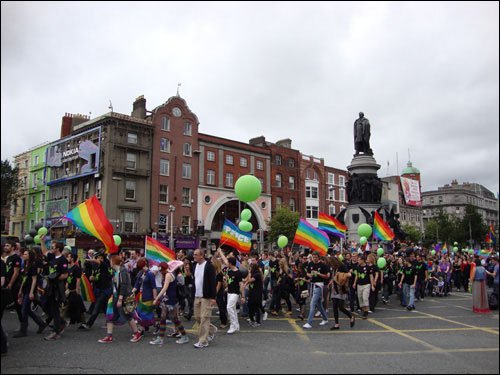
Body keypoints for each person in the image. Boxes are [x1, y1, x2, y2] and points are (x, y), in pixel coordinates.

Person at [99, 254, 141, 343]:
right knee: (110, 315)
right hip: (115, 296)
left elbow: (123, 285)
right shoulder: (116, 271)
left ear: (113, 262)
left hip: (123, 297)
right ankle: (109, 335)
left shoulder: (122, 271)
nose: (109, 262)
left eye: (110, 261)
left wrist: (120, 299)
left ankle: (137, 333)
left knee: (128, 315)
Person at [150, 261, 189, 345]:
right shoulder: (169, 274)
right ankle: (160, 338)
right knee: (163, 317)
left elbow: (164, 288)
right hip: (167, 299)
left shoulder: (168, 275)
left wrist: (156, 298)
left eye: (161, 271)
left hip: (171, 300)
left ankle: (184, 335)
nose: (161, 272)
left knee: (174, 319)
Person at [40, 239, 69, 340]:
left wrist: (55, 277)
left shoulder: (63, 260)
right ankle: (61, 322)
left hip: (57, 288)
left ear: (57, 249)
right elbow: (44, 251)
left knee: (55, 309)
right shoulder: (52, 257)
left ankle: (56, 331)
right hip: (49, 287)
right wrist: (42, 241)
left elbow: (65, 274)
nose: (51, 248)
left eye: (52, 247)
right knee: (45, 305)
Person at [14, 249, 45, 337]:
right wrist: (20, 290)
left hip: (29, 289)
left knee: (24, 309)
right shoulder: (25, 266)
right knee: (26, 309)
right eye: (23, 254)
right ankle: (40, 323)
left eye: (26, 254)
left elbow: (34, 279)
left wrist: (32, 292)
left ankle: (24, 330)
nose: (24, 255)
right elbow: (24, 279)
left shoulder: (33, 266)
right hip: (25, 288)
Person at [192, 249, 217, 348]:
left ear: (202, 256)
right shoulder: (195, 266)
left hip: (206, 296)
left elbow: (212, 282)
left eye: (196, 255)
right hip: (197, 295)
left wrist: (213, 297)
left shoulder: (209, 266)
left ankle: (203, 341)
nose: (194, 256)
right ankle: (211, 329)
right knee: (197, 317)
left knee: (204, 318)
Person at [82, 250, 113, 329]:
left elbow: (100, 264)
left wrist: (91, 259)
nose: (97, 259)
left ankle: (89, 324)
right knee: (105, 307)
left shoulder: (105, 265)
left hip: (105, 290)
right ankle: (109, 322)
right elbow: (96, 276)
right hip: (98, 289)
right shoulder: (97, 267)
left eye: (99, 258)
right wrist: (93, 278)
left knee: (97, 307)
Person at [303, 251, 330, 329]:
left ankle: (309, 322)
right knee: (318, 304)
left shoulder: (323, 265)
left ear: (319, 257)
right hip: (312, 284)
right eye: (313, 257)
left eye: (316, 257)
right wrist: (309, 274)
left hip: (319, 285)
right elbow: (307, 273)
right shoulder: (310, 264)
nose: (314, 259)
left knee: (313, 303)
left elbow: (327, 276)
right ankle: (325, 319)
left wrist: (318, 274)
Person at [329, 257, 355, 330]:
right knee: (334, 307)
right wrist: (330, 282)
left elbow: (349, 275)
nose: (331, 265)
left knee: (340, 306)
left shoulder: (342, 267)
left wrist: (344, 275)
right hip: (334, 289)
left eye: (331, 264)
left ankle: (351, 316)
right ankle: (336, 324)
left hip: (341, 289)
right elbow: (333, 277)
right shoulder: (334, 269)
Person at [132, 258, 157, 333]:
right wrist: (132, 292)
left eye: (141, 268)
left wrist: (155, 298)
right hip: (141, 295)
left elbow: (154, 287)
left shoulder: (150, 274)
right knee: (140, 312)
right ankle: (142, 329)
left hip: (148, 296)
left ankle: (156, 325)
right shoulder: (141, 273)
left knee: (146, 314)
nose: (141, 270)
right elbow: (137, 284)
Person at [3, 240, 23, 331]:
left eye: (7, 246)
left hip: (15, 284)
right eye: (5, 246)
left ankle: (23, 325)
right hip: (7, 284)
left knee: (18, 306)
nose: (5, 247)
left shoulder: (16, 258)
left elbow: (16, 272)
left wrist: (10, 283)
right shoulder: (8, 258)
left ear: (13, 247)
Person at [353, 255, 373, 319]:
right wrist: (354, 283)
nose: (358, 261)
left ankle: (366, 312)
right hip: (359, 285)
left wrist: (372, 285)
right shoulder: (358, 267)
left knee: (365, 297)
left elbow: (371, 276)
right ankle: (364, 310)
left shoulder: (368, 268)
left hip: (366, 284)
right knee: (360, 297)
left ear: (362, 260)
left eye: (359, 260)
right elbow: (357, 275)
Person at [212, 257, 228, 329]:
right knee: (220, 307)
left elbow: (218, 285)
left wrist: (215, 294)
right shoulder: (212, 273)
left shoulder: (219, 274)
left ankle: (224, 321)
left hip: (219, 292)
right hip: (214, 290)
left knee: (221, 307)